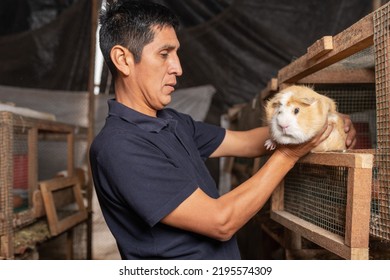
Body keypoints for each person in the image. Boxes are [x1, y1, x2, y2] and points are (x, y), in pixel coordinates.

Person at [90, 0, 356, 260]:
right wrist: (288, 155)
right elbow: (220, 222)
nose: (178, 68)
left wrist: (317, 120)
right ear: (123, 59)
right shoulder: (119, 147)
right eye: (164, 54)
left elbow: (248, 142)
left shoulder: (173, 122)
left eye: (176, 53)